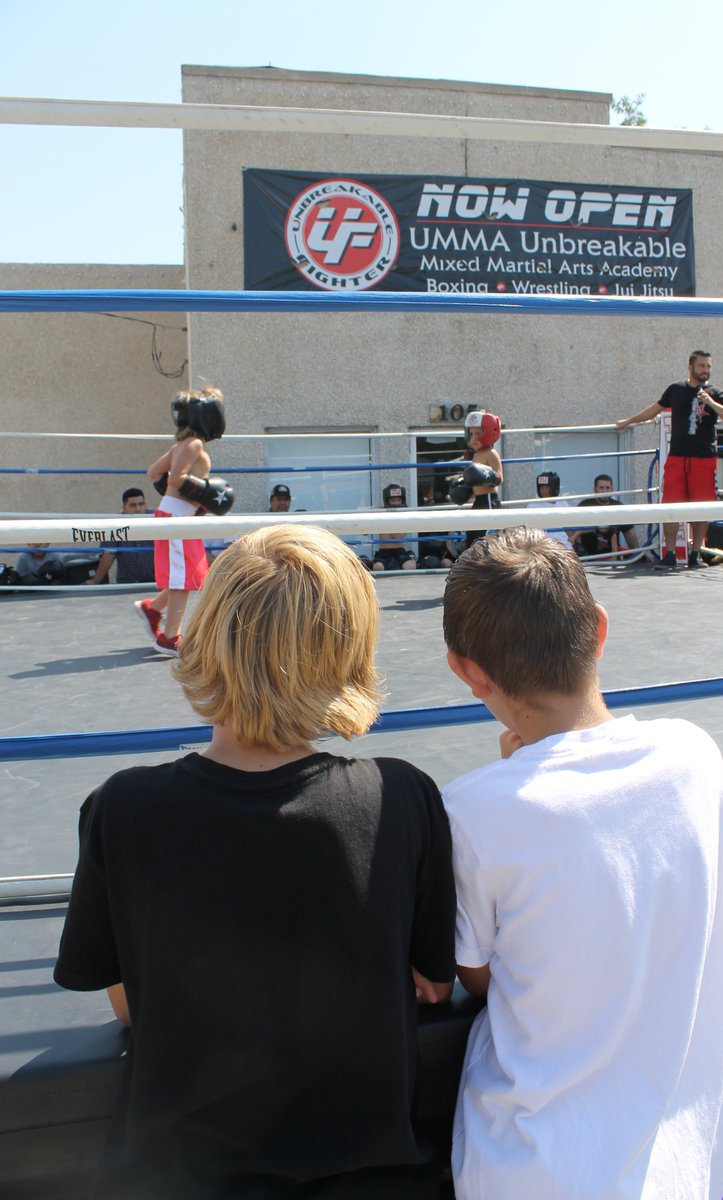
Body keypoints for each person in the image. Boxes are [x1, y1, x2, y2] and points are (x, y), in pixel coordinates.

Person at [54, 524, 456, 1200]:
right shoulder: (401, 797)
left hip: (174, 1180)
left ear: (206, 635)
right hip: (373, 1178)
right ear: (348, 649)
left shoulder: (123, 808)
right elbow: (432, 983)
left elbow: (127, 1002)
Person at [441, 527, 723, 1200]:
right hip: (685, 1165)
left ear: (467, 670)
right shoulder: (695, 757)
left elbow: (481, 975)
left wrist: (512, 780)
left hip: (531, 1171)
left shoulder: (470, 813)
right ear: (599, 630)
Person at [616, 350, 723, 568]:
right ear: (690, 367)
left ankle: (695, 554)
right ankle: (670, 555)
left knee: (702, 507)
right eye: (701, 366)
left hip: (703, 459)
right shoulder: (676, 389)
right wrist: (628, 421)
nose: (705, 371)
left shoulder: (715, 393)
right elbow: (654, 409)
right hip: (677, 457)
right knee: (670, 505)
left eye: (708, 366)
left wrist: (710, 402)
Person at [133, 388, 233, 657]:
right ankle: (169, 638)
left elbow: (154, 473)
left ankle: (152, 609)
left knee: (187, 574)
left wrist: (190, 499)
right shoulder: (194, 444)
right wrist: (205, 493)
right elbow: (176, 478)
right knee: (182, 579)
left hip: (177, 514)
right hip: (176, 517)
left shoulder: (180, 444)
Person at [84, 488, 155, 585]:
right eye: (133, 505)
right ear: (124, 507)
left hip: (156, 582)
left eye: (141, 504)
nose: (138, 509)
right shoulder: (116, 523)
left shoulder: (156, 519)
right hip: (127, 583)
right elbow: (109, 554)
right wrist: (95, 580)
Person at [571, 473, 641, 559]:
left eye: (607, 488)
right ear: (595, 489)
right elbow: (574, 530)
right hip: (589, 556)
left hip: (612, 553)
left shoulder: (618, 506)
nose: (604, 491)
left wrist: (637, 555)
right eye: (601, 488)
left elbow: (629, 533)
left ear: (612, 489)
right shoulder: (585, 505)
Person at [462, 410, 502, 551]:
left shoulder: (491, 453)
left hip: (489, 501)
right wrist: (464, 487)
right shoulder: (476, 454)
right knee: (472, 540)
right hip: (478, 501)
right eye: (471, 433)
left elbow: (498, 477)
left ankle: (490, 571)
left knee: (486, 543)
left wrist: (483, 475)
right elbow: (474, 481)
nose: (473, 438)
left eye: (478, 433)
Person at [372, 483, 418, 570]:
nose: (396, 503)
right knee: (378, 567)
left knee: (409, 566)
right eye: (392, 501)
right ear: (387, 501)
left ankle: (412, 558)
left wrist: (387, 517)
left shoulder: (404, 515)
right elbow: (364, 532)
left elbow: (397, 536)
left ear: (402, 501)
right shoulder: (380, 513)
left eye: (398, 500)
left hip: (399, 549)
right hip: (383, 551)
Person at [526, 470, 574, 550]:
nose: (544, 491)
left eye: (547, 487)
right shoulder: (533, 506)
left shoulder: (563, 504)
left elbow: (569, 529)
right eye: (541, 487)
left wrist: (572, 538)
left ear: (554, 487)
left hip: (563, 544)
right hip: (543, 545)